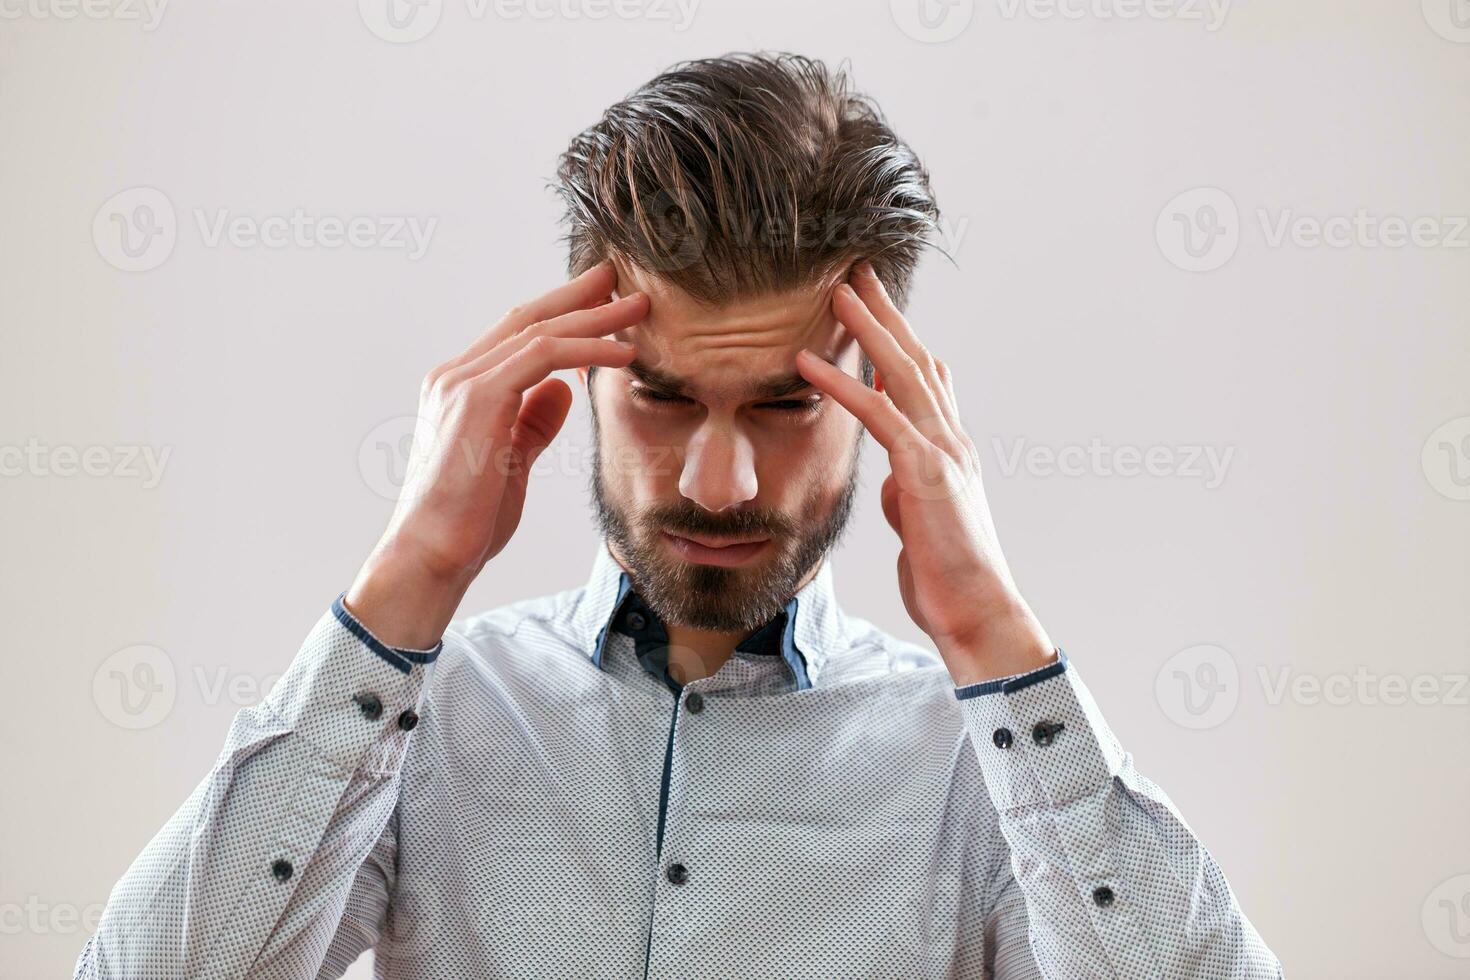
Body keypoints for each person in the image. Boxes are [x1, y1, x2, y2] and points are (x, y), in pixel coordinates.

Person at [76, 53, 1283, 979]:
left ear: (884, 405)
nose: (720, 483)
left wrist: (998, 643)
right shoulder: (424, 715)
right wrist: (406, 579)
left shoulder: (989, 762)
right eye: (660, 396)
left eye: (780, 406)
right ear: (581, 381)